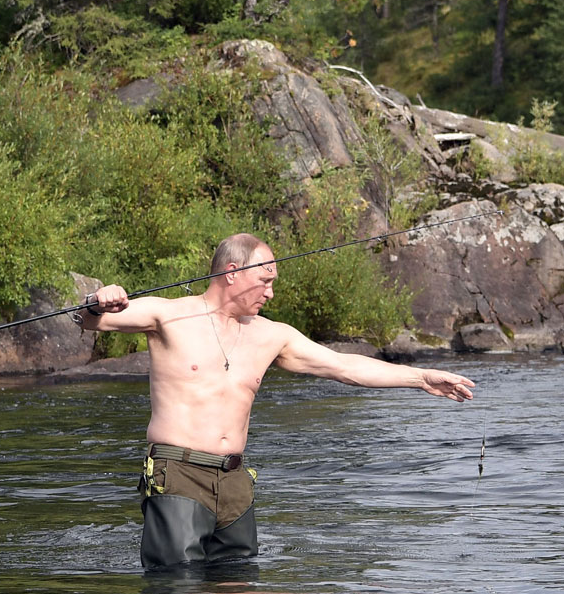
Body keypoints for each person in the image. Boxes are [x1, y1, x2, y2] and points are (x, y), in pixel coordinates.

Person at [80, 233, 475, 569]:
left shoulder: (272, 335)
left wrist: (420, 378)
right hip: (179, 475)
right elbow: (92, 320)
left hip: (235, 482)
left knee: (241, 589)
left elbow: (343, 366)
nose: (271, 292)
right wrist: (98, 300)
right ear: (232, 273)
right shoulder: (168, 315)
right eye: (265, 280)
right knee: (178, 591)